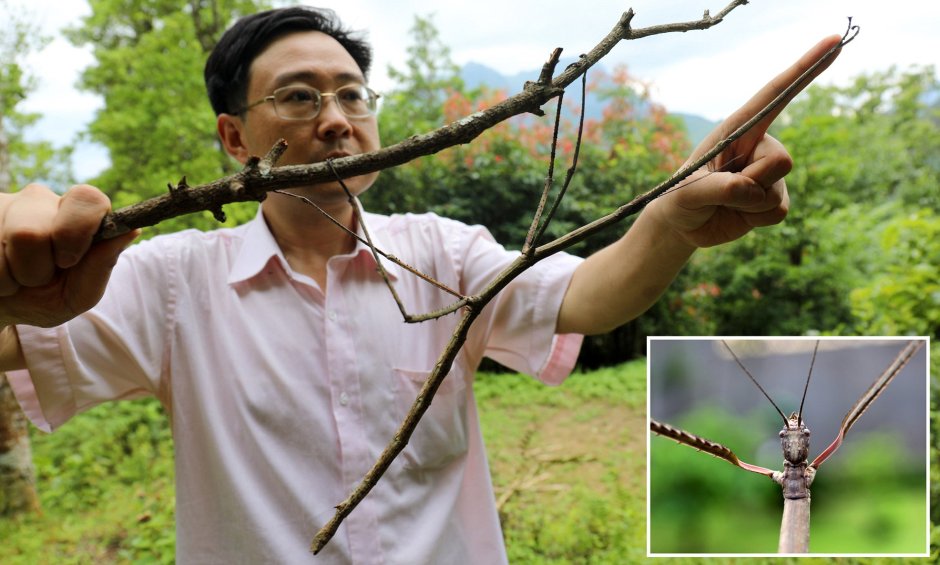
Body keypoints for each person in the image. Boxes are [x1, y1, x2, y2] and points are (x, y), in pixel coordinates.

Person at [0, 6, 842, 564]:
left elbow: (586, 291)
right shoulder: (168, 280)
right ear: (235, 136)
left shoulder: (439, 252)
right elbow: (19, 338)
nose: (335, 119)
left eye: (351, 95)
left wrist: (665, 223)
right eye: (298, 98)